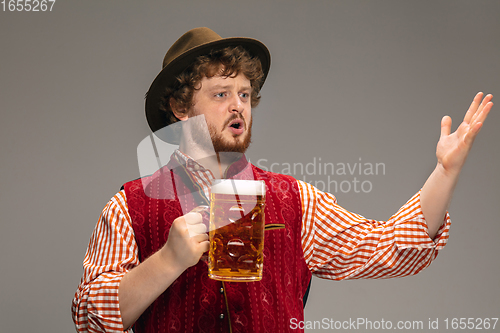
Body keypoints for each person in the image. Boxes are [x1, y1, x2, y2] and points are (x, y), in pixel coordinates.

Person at [71, 27, 493, 333]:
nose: (238, 105)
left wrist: (445, 171)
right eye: (221, 94)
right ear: (181, 108)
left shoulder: (294, 199)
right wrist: (167, 260)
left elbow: (389, 247)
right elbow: (89, 317)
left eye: (244, 94)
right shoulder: (130, 205)